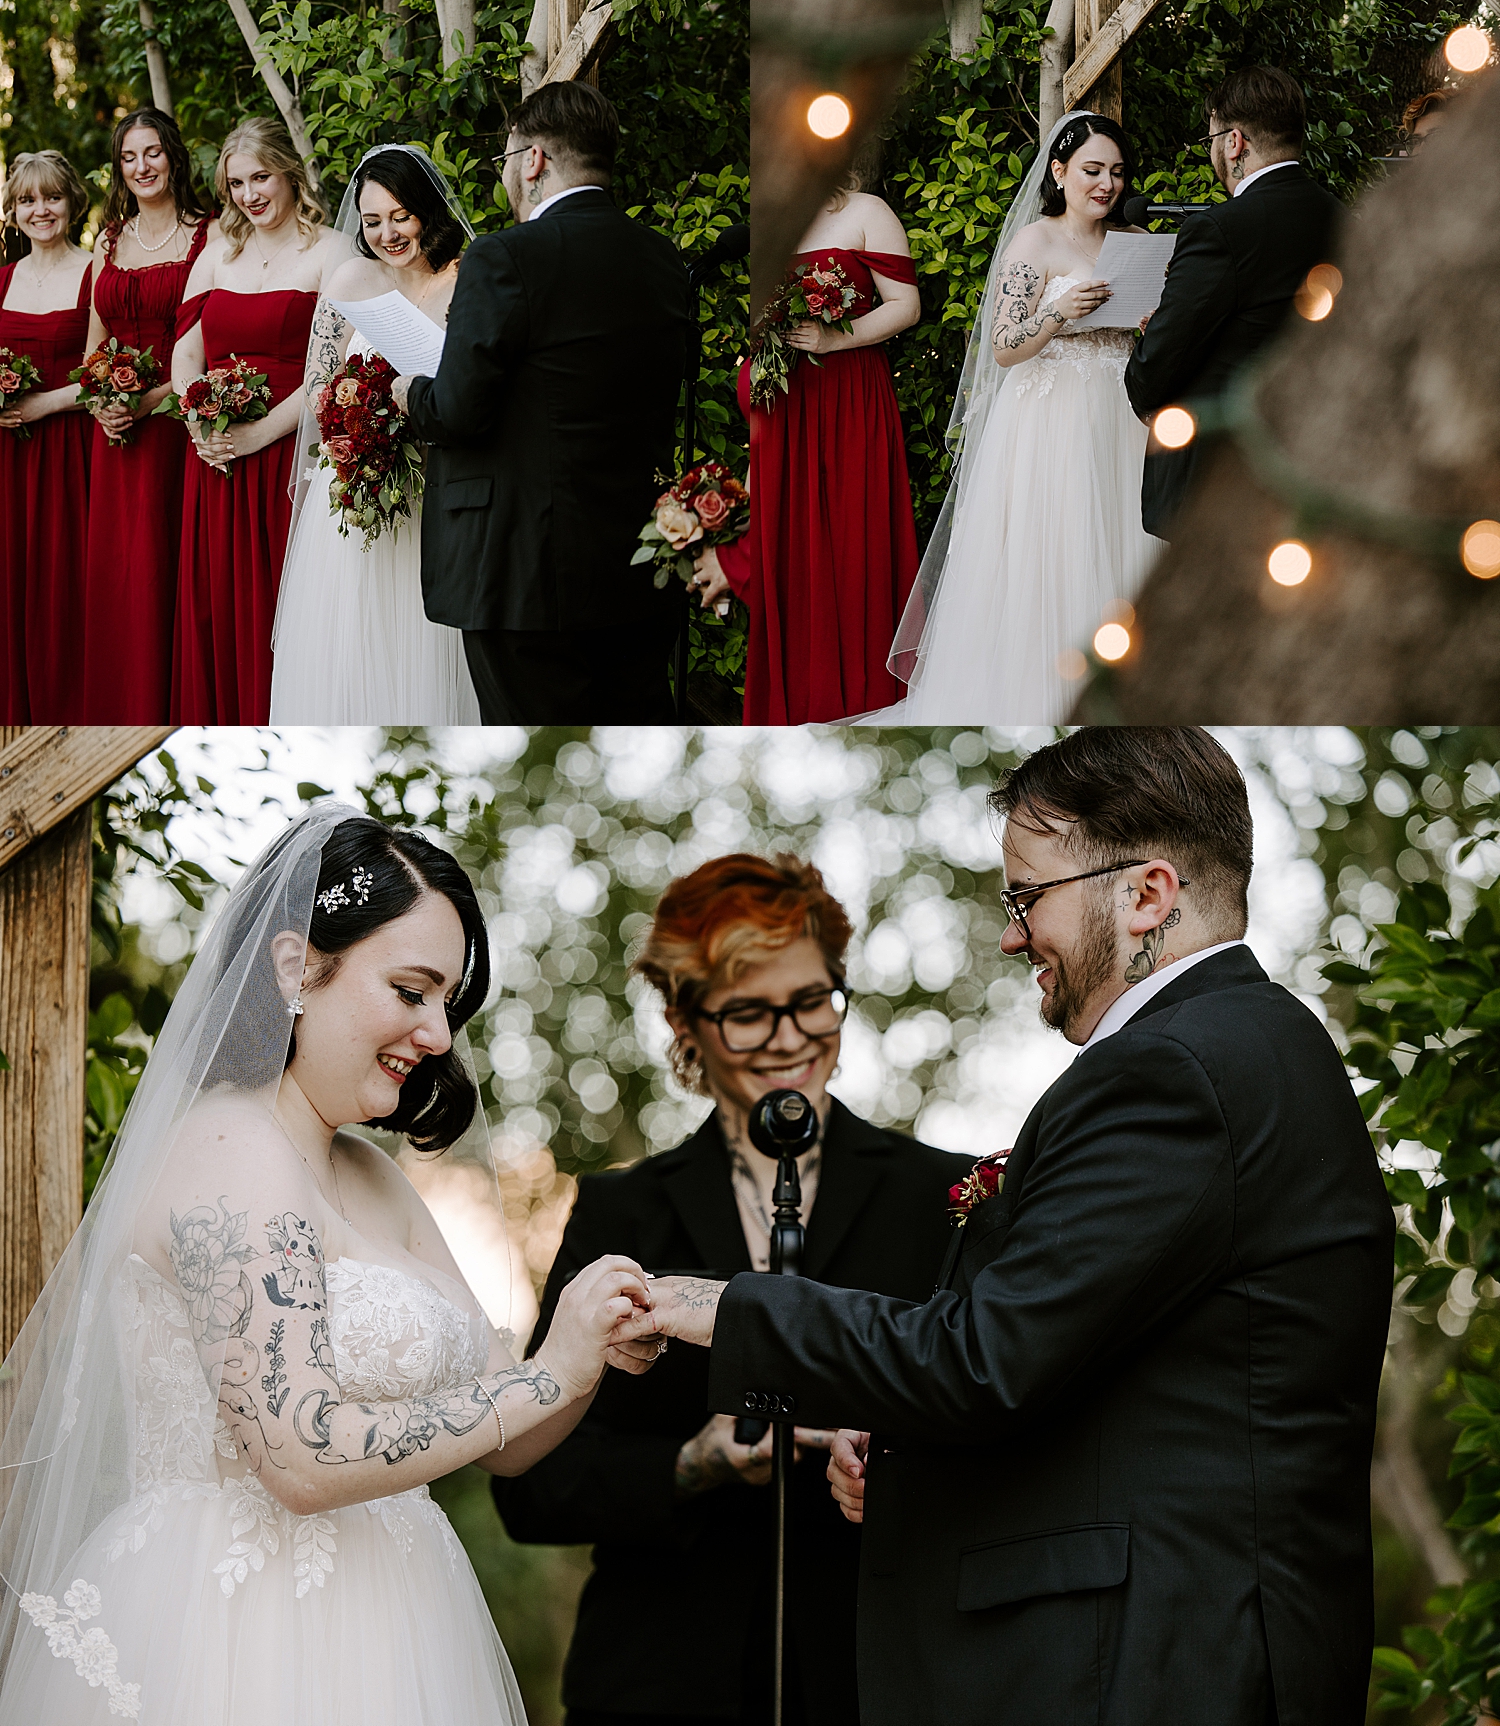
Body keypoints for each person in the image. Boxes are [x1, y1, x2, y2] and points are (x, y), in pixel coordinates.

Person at [635, 728, 1396, 1726]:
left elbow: (984, 1360)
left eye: (1027, 896)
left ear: (1146, 896)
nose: (1011, 934)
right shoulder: (1237, 1048)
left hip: (1162, 1669)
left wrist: (728, 1305)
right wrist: (907, 1450)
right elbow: (1101, 1377)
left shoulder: (1175, 1072)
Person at [0, 805, 660, 1725]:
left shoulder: (377, 1177)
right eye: (411, 989)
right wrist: (552, 1372)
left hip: (398, 1634)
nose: (437, 1033)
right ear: (297, 968)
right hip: (224, 1636)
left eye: (446, 1001)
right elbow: (300, 1454)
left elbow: (511, 1424)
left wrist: (586, 1347)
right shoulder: (227, 1148)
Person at [493, 853, 971, 1726]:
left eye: (813, 999)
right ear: (685, 1020)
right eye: (749, 1012)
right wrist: (691, 1462)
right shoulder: (620, 1210)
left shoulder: (944, 1195)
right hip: (661, 1679)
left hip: (878, 1676)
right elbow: (530, 1483)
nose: (789, 1037)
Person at [393, 82, 692, 726]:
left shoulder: (505, 255)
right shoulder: (663, 259)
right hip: (641, 567)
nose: (506, 174)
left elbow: (457, 411)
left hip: (521, 576)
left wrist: (408, 392)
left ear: (533, 161)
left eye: (506, 158)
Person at [887, 112, 1162, 725]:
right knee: (1056, 543)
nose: (1106, 184)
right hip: (1051, 416)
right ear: (1060, 171)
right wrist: (1060, 310)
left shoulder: (1135, 240)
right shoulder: (1035, 243)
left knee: (1122, 541)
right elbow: (1005, 344)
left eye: (1116, 173)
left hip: (1120, 412)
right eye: (1092, 170)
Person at [269, 145, 480, 723]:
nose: (387, 233)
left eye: (400, 216)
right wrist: (352, 415)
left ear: (427, 211)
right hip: (351, 494)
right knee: (347, 646)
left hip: (432, 494)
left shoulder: (468, 278)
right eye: (372, 220)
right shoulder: (351, 278)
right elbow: (317, 386)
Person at [728, 170, 922, 723]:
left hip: (849, 399)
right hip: (787, 408)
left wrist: (836, 338)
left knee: (852, 534)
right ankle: (798, 703)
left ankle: (867, 699)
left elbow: (904, 305)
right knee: (791, 548)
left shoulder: (867, 211)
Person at [170, 118, 346, 723]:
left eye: (261, 177)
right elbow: (187, 352)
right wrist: (200, 424)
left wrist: (259, 435)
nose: (250, 194)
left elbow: (330, 370)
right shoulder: (219, 251)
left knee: (282, 604)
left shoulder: (331, 251)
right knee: (218, 607)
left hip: (291, 459)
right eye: (237, 183)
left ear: (290, 173)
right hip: (216, 461)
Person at [1125, 66, 1345, 539]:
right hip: (1318, 462)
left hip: (1220, 473)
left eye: (1212, 138)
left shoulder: (1219, 230)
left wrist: (1153, 343)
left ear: (1235, 142)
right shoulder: (1344, 219)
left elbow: (1159, 362)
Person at [81, 109, 217, 723]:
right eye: (130, 157)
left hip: (175, 426)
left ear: (174, 156)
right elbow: (93, 348)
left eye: (153, 153)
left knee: (167, 575)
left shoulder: (209, 235)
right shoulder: (107, 241)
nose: (142, 167)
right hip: (114, 438)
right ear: (119, 168)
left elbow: (213, 343)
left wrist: (149, 399)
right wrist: (102, 402)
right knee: (119, 583)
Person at [0, 149, 94, 723]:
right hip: (7, 457)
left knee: (63, 587)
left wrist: (43, 406)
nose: (41, 209)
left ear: (71, 202)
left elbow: (109, 369)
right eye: (28, 200)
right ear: (12, 211)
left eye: (52, 196)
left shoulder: (93, 270)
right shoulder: (2, 280)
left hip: (69, 453)